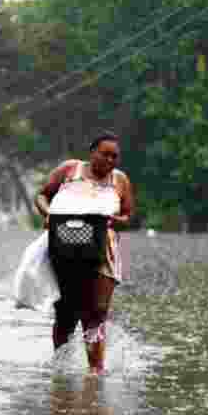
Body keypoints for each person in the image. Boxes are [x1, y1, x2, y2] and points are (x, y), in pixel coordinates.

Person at [34, 133, 134, 373]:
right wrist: (48, 215)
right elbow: (42, 195)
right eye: (105, 154)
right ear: (92, 152)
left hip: (103, 251)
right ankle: (59, 368)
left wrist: (112, 220)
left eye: (115, 156)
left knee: (96, 312)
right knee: (66, 314)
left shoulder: (120, 180)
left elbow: (128, 216)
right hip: (64, 246)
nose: (110, 160)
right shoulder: (70, 169)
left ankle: (95, 371)